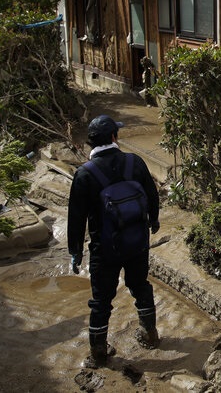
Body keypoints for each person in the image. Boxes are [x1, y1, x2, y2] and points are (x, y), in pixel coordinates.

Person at [68, 114, 161, 368]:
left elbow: (76, 218)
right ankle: (150, 334)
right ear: (113, 137)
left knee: (101, 301)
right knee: (140, 285)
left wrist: (75, 252)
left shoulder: (85, 174)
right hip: (137, 242)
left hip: (104, 249)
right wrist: (153, 221)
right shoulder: (134, 162)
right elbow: (152, 196)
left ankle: (98, 352)